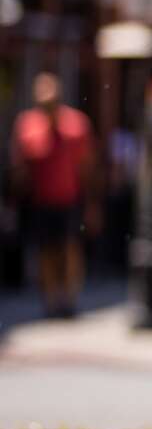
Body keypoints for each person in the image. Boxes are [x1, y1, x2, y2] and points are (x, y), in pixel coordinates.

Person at [10, 73, 95, 317]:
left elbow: (87, 168)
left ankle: (68, 298)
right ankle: (50, 300)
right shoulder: (27, 125)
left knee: (69, 248)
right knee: (45, 251)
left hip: (70, 199)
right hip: (40, 200)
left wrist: (91, 204)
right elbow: (20, 167)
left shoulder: (76, 125)